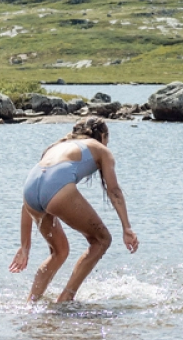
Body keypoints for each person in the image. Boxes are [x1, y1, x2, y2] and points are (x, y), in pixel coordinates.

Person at [9, 117, 138, 302]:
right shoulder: (101, 149)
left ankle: (31, 303)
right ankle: (66, 299)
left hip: (29, 192)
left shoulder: (55, 147)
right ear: (103, 135)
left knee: (59, 251)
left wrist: (25, 246)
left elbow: (33, 196)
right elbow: (114, 191)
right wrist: (126, 228)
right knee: (102, 240)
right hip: (56, 190)